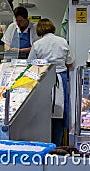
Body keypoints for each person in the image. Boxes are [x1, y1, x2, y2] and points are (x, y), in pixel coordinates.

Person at [27, 18, 75, 146]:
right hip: (61, 79)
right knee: (60, 113)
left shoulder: (37, 44)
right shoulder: (63, 41)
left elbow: (30, 64)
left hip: (43, 80)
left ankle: (44, 144)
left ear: (39, 30)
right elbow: (70, 63)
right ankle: (57, 145)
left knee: (44, 113)